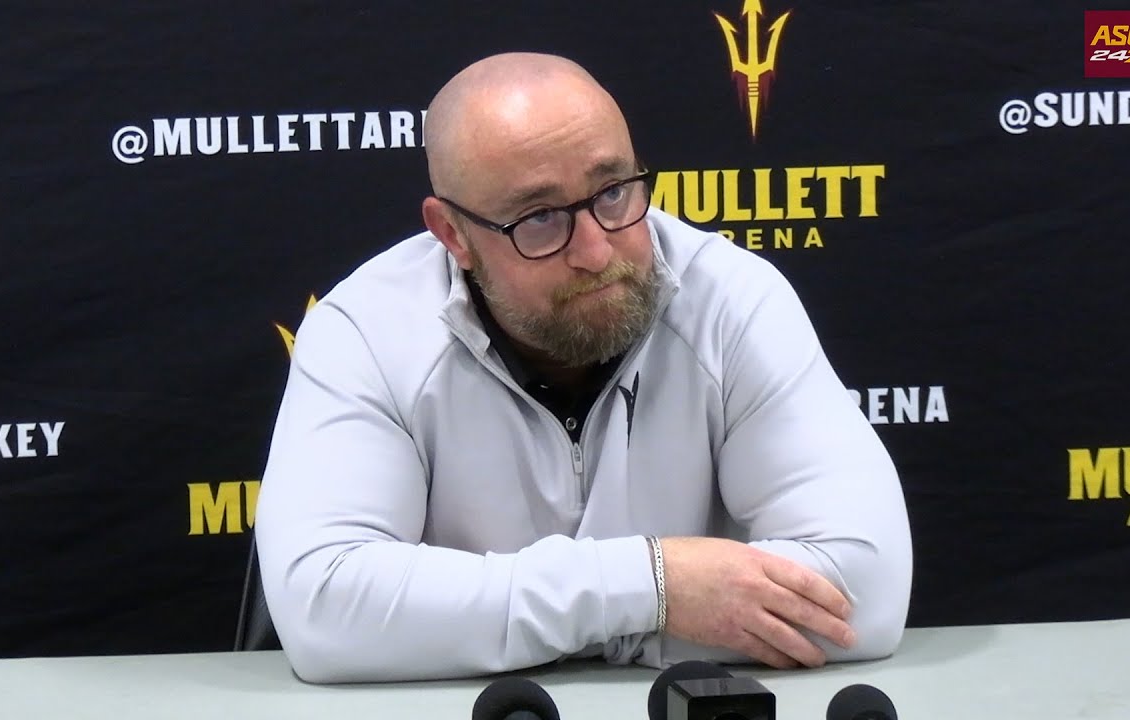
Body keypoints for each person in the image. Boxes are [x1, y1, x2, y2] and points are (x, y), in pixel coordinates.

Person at [255, 51, 912, 685]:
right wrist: (652, 589)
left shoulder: (732, 302)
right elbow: (325, 612)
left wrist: (511, 625)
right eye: (539, 219)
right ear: (453, 234)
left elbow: (868, 594)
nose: (597, 251)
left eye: (614, 191)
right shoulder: (365, 332)